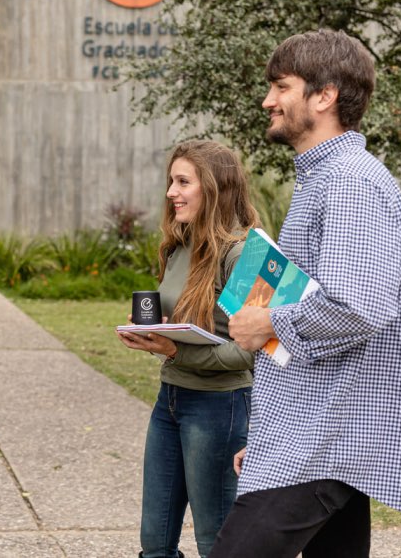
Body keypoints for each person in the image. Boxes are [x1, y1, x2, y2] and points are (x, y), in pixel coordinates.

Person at [212, 29, 401, 558]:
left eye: (281, 86)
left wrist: (265, 323)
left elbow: (357, 305)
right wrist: (270, 437)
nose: (268, 100)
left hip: (325, 439)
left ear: (325, 96)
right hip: (320, 433)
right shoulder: (327, 179)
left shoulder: (348, 182)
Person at [117, 139, 259, 558]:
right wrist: (147, 334)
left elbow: (250, 353)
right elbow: (172, 322)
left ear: (215, 188)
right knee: (154, 542)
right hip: (171, 400)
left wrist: (176, 350)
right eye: (170, 181)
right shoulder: (179, 246)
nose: (170, 193)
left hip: (220, 407)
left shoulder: (245, 254)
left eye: (183, 182)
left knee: (215, 541)